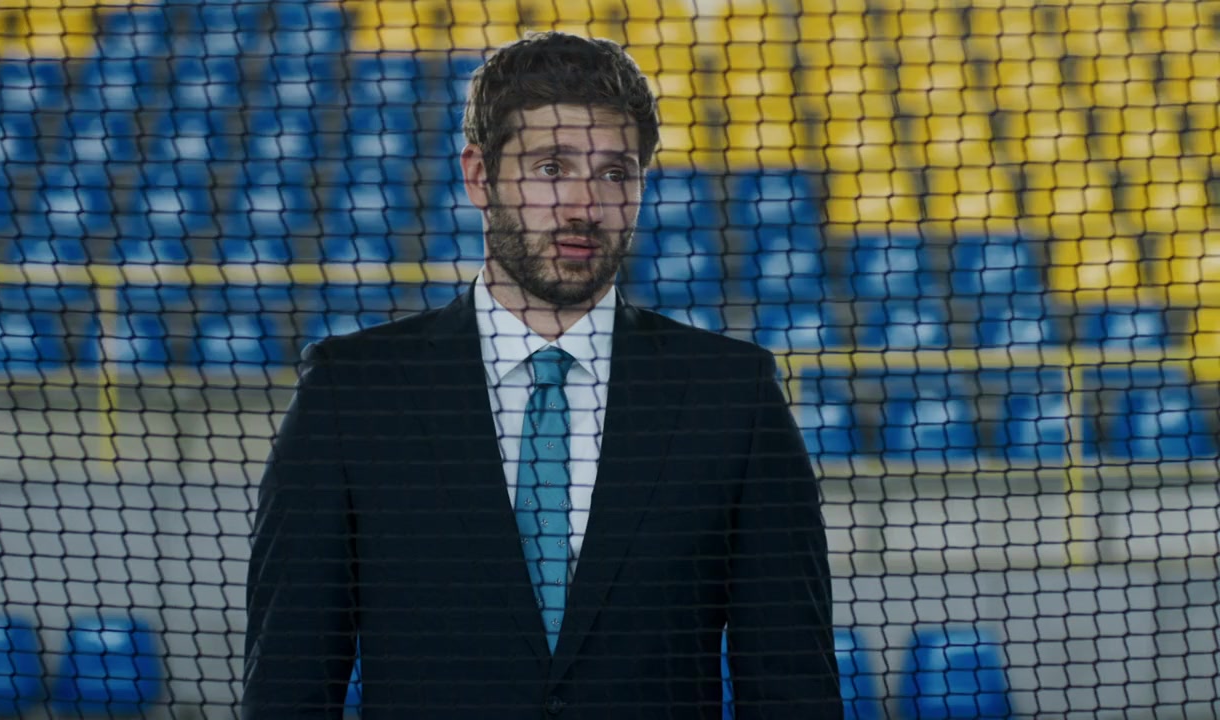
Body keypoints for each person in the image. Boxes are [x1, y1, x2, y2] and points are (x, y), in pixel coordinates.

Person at [243, 31, 840, 719]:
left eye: (615, 173)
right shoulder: (352, 393)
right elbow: (289, 686)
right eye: (551, 167)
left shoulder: (733, 395)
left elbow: (792, 685)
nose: (584, 205)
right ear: (479, 176)